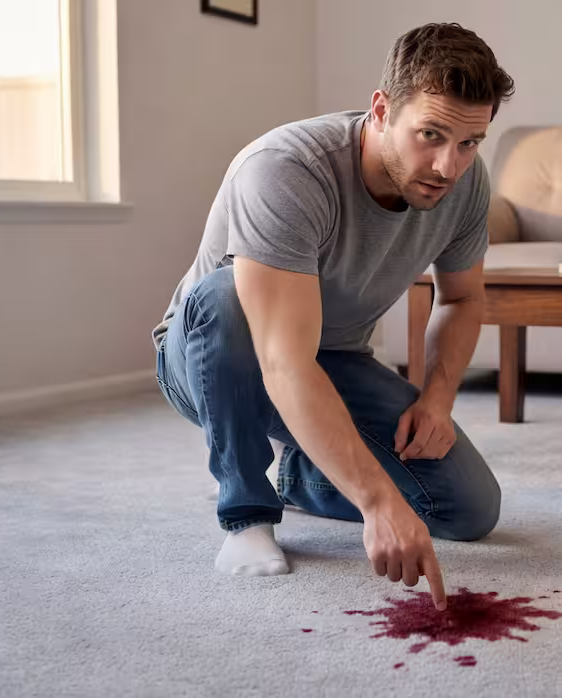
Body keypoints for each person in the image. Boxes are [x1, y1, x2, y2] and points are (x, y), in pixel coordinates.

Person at [150, 23, 514, 611]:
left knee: (468, 508)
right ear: (380, 110)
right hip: (214, 359)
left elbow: (462, 299)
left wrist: (437, 400)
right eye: (430, 134)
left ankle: (302, 476)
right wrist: (375, 502)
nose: (448, 166)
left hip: (334, 356)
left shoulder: (465, 187)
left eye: (470, 143)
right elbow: (282, 360)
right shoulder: (287, 169)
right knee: (226, 295)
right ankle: (246, 513)